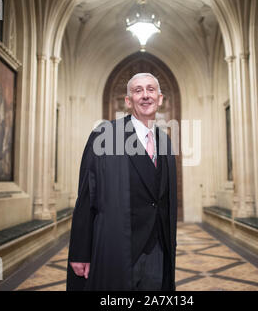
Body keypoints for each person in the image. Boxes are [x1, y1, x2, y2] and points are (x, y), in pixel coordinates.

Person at [66, 73, 178, 291]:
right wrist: (80, 252)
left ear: (160, 98)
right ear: (128, 101)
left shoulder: (165, 141)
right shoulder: (105, 135)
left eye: (151, 90)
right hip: (117, 245)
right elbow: (87, 194)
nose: (145, 95)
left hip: (157, 250)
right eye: (138, 91)